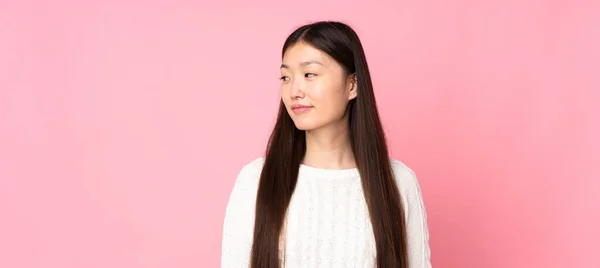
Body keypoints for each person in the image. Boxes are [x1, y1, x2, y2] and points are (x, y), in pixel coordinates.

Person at [221, 20, 431, 268]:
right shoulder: (256, 180)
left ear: (352, 85)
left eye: (309, 74)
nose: (294, 91)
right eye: (286, 77)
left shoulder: (398, 182)